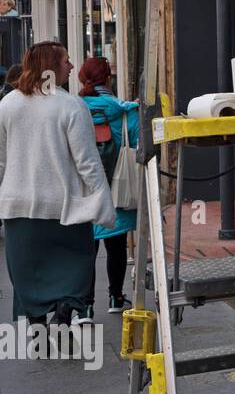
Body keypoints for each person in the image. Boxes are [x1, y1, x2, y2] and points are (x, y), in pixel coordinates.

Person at [0, 41, 116, 326]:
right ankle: (63, 313)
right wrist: (102, 198)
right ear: (51, 66)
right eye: (66, 61)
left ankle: (37, 327)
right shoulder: (70, 105)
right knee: (75, 266)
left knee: (28, 274)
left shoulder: (7, 104)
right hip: (65, 207)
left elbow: (1, 159)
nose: (72, 66)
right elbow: (87, 161)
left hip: (19, 207)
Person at [78, 56, 140, 314]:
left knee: (85, 251)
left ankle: (86, 306)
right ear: (109, 79)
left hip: (83, 190)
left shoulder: (74, 108)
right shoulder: (126, 111)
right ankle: (115, 297)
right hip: (118, 188)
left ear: (83, 78)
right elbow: (138, 145)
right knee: (116, 246)